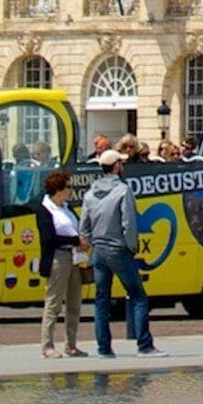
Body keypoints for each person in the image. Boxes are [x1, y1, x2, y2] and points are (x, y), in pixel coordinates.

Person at [81, 148, 153, 356]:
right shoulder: (123, 190)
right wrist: (131, 246)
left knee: (101, 300)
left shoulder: (90, 194)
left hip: (98, 250)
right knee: (138, 296)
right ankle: (144, 345)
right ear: (116, 167)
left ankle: (104, 348)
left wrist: (94, 242)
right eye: (120, 163)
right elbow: (128, 222)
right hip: (118, 249)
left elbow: (84, 227)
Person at [33, 168, 88, 357]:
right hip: (58, 257)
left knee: (74, 303)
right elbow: (48, 238)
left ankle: (71, 345)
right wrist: (75, 241)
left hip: (74, 257)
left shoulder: (67, 207)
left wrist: (81, 240)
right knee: (53, 302)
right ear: (58, 189)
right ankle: (47, 345)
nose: (71, 190)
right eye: (68, 187)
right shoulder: (44, 209)